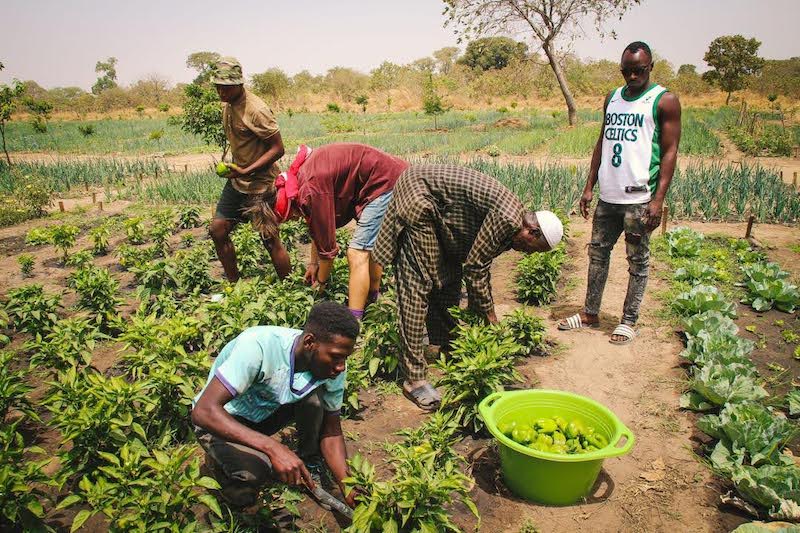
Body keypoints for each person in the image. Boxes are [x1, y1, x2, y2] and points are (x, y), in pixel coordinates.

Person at [371, 164, 564, 411]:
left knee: (450, 276)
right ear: (532, 231)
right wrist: (489, 316)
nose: (527, 253)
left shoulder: (514, 229)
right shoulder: (507, 219)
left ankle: (448, 347)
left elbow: (474, 263)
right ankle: (414, 379)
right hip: (419, 195)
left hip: (442, 216)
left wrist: (479, 314)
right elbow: (476, 267)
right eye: (531, 248)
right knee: (418, 284)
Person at [557, 41, 681, 345]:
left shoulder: (663, 101)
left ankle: (628, 320)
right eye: (627, 71)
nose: (632, 76)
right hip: (608, 196)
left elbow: (670, 152)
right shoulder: (612, 98)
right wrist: (589, 187)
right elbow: (603, 141)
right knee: (597, 254)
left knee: (637, 261)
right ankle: (590, 313)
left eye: (638, 70)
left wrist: (658, 199)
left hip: (639, 200)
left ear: (650, 67)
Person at [191, 301, 360, 509]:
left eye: (345, 358)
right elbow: (203, 411)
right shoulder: (259, 346)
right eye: (335, 357)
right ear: (309, 343)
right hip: (219, 421)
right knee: (254, 473)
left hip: (264, 415)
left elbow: (332, 430)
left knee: (315, 402)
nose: (341, 367)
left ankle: (308, 462)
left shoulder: (332, 362)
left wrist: (347, 485)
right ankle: (220, 467)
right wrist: (273, 448)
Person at [269, 143, 408, 319]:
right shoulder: (300, 181)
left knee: (357, 253)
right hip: (385, 175)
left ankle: (354, 322)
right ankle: (372, 300)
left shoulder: (310, 190)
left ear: (290, 207)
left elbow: (328, 255)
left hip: (384, 183)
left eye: (292, 216)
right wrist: (313, 264)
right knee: (369, 246)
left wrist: (321, 282)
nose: (295, 219)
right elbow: (318, 227)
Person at [208, 56, 291, 283]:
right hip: (238, 182)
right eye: (218, 87)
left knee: (269, 239)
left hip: (261, 185)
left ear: (239, 84)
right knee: (217, 230)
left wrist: (247, 170)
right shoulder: (228, 105)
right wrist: (238, 171)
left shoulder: (256, 110)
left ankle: (291, 291)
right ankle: (233, 287)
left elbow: (278, 148)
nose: (221, 92)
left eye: (226, 88)